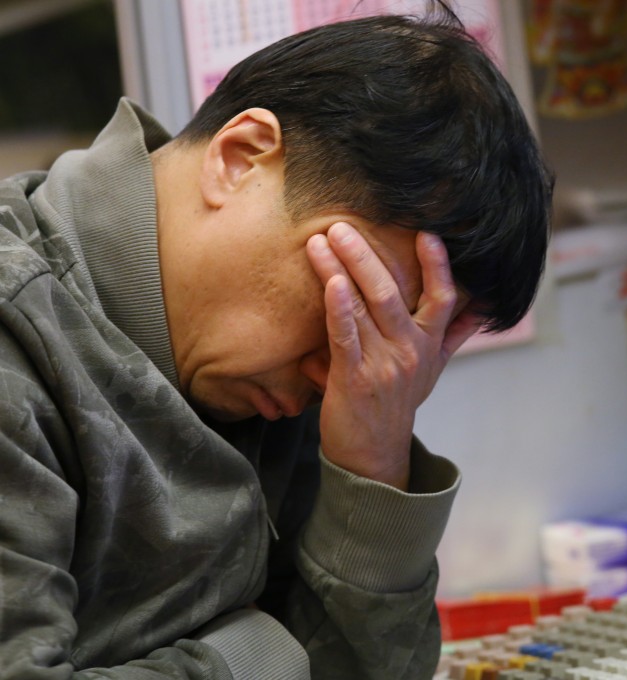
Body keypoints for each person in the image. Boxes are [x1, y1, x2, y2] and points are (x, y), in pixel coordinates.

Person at [0, 4, 552, 678]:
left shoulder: (282, 375)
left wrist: (372, 471)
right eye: (351, 298)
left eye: (399, 332)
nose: (347, 373)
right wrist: (263, 652)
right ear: (241, 158)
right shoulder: (18, 343)